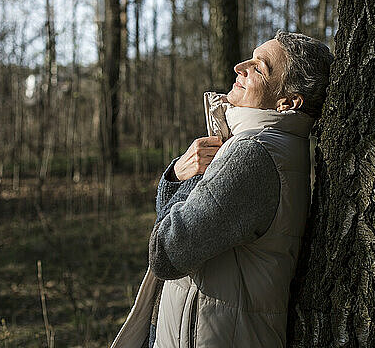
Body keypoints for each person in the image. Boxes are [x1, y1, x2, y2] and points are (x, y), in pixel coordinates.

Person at [111, 30, 333, 348]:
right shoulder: (281, 148)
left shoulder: (252, 153)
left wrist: (189, 178)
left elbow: (166, 253)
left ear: (288, 101)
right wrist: (176, 175)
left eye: (259, 67)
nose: (239, 66)